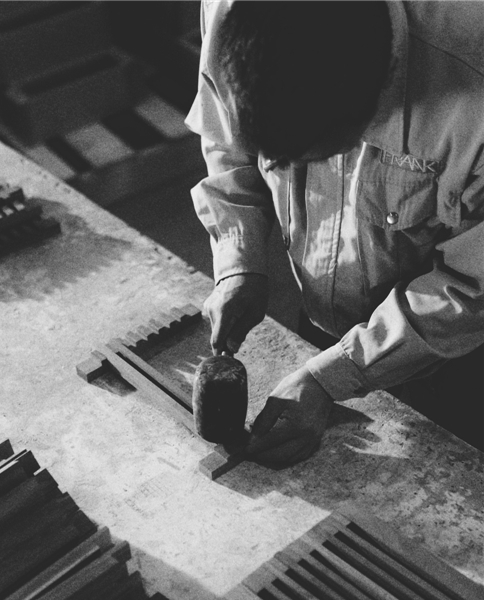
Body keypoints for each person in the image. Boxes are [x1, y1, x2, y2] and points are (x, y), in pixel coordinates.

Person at [185, 0, 484, 466]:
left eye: (311, 157)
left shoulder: (471, 72)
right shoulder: (231, 10)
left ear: (384, 84)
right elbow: (225, 135)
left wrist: (335, 375)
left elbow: (474, 283)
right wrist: (239, 259)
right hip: (325, 322)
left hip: (458, 351)